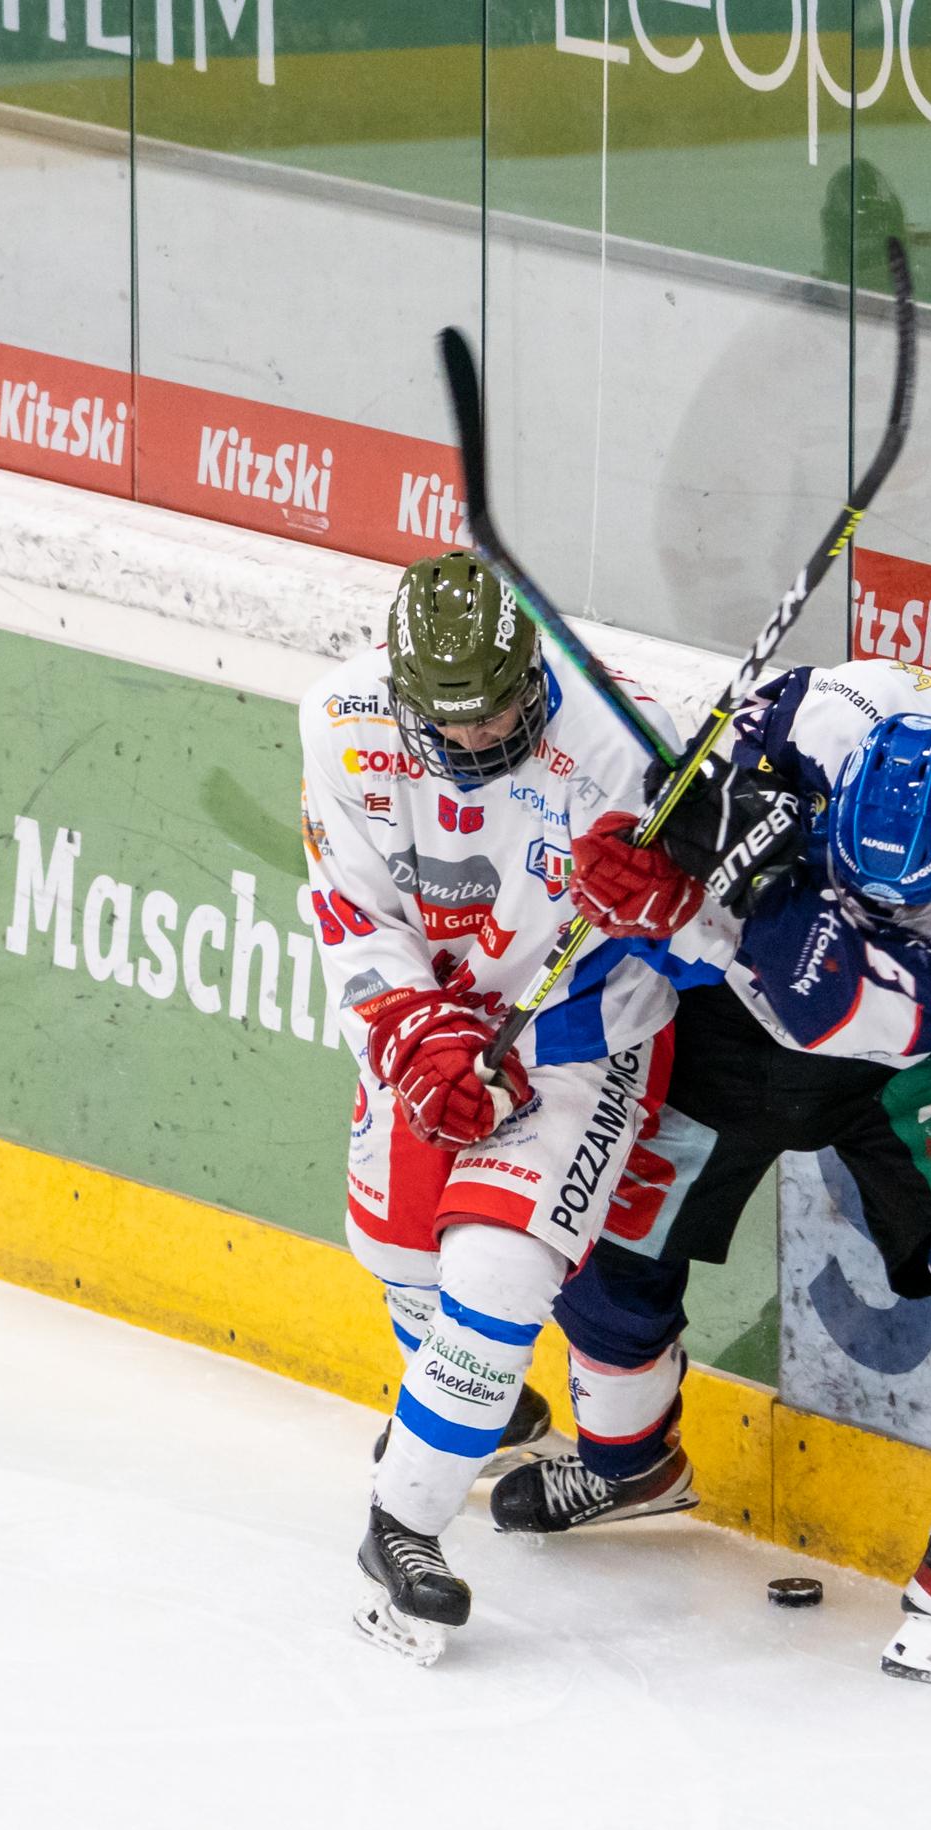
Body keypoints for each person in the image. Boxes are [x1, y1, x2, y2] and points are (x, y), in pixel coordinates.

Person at [530, 656, 931, 1694]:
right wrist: (661, 849)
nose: (874, 901)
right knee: (604, 1228)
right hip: (720, 1021)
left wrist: (728, 896)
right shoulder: (832, 709)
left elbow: (822, 1005)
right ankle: (628, 1463)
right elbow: (686, 788)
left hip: (881, 1057)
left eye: (902, 900)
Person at [298, 553, 709, 1664]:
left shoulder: (630, 741)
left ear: (534, 676)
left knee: (498, 1273)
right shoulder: (339, 722)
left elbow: (720, 948)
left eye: (496, 712)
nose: (476, 738)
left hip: (582, 1037)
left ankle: (400, 1527)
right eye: (450, 719)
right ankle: (487, 1414)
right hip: (434, 1018)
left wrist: (671, 904)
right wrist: (414, 1035)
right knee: (398, 1254)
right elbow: (353, 911)